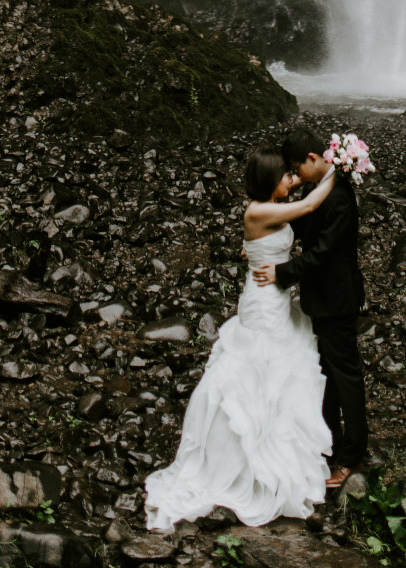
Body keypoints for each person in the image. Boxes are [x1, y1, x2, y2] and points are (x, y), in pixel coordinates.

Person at [144, 148, 337, 531]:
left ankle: (276, 445)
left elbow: (293, 195)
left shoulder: (266, 206)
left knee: (281, 368)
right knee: (258, 370)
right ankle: (246, 459)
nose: (291, 181)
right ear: (270, 182)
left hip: (274, 296)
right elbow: (312, 205)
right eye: (285, 177)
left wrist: (303, 174)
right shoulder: (258, 212)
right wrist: (339, 166)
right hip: (263, 303)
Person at [252, 127, 368, 492]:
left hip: (337, 300)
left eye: (297, 169)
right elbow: (301, 222)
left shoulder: (341, 198)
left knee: (346, 377)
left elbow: (321, 254)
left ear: (315, 159)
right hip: (324, 299)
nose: (296, 176)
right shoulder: (322, 190)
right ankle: (330, 444)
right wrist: (262, 242)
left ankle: (352, 456)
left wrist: (280, 272)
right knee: (328, 376)